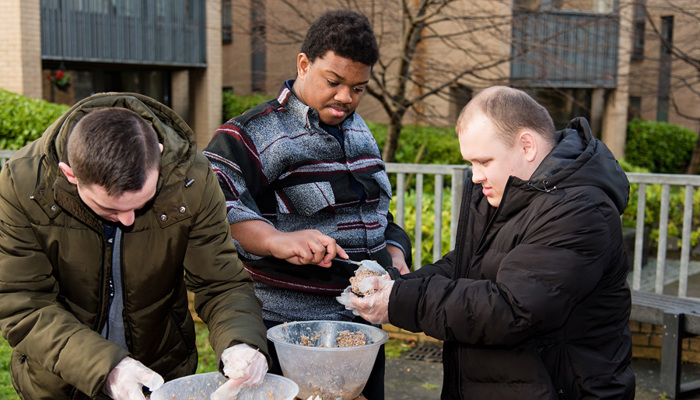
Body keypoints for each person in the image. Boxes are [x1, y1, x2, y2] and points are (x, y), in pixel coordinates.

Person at [344, 86, 635, 399]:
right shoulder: (509, 193)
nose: (475, 175)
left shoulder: (581, 210)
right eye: (471, 163)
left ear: (526, 146)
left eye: (483, 161)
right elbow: (468, 264)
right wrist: (397, 285)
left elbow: (511, 309)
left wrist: (399, 301)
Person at [0, 92, 269, 400]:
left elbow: (221, 282)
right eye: (110, 210)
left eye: (143, 203)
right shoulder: (23, 185)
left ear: (157, 152)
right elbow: (23, 302)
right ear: (70, 174)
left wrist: (241, 343)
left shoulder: (190, 179)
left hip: (159, 375)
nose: (127, 220)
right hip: (58, 381)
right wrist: (108, 367)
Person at [203, 9, 411, 399]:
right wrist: (276, 240)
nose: (346, 97)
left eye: (359, 88)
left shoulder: (361, 130)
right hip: (286, 337)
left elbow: (375, 212)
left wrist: (395, 253)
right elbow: (213, 204)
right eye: (334, 81)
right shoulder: (253, 131)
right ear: (303, 64)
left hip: (361, 338)